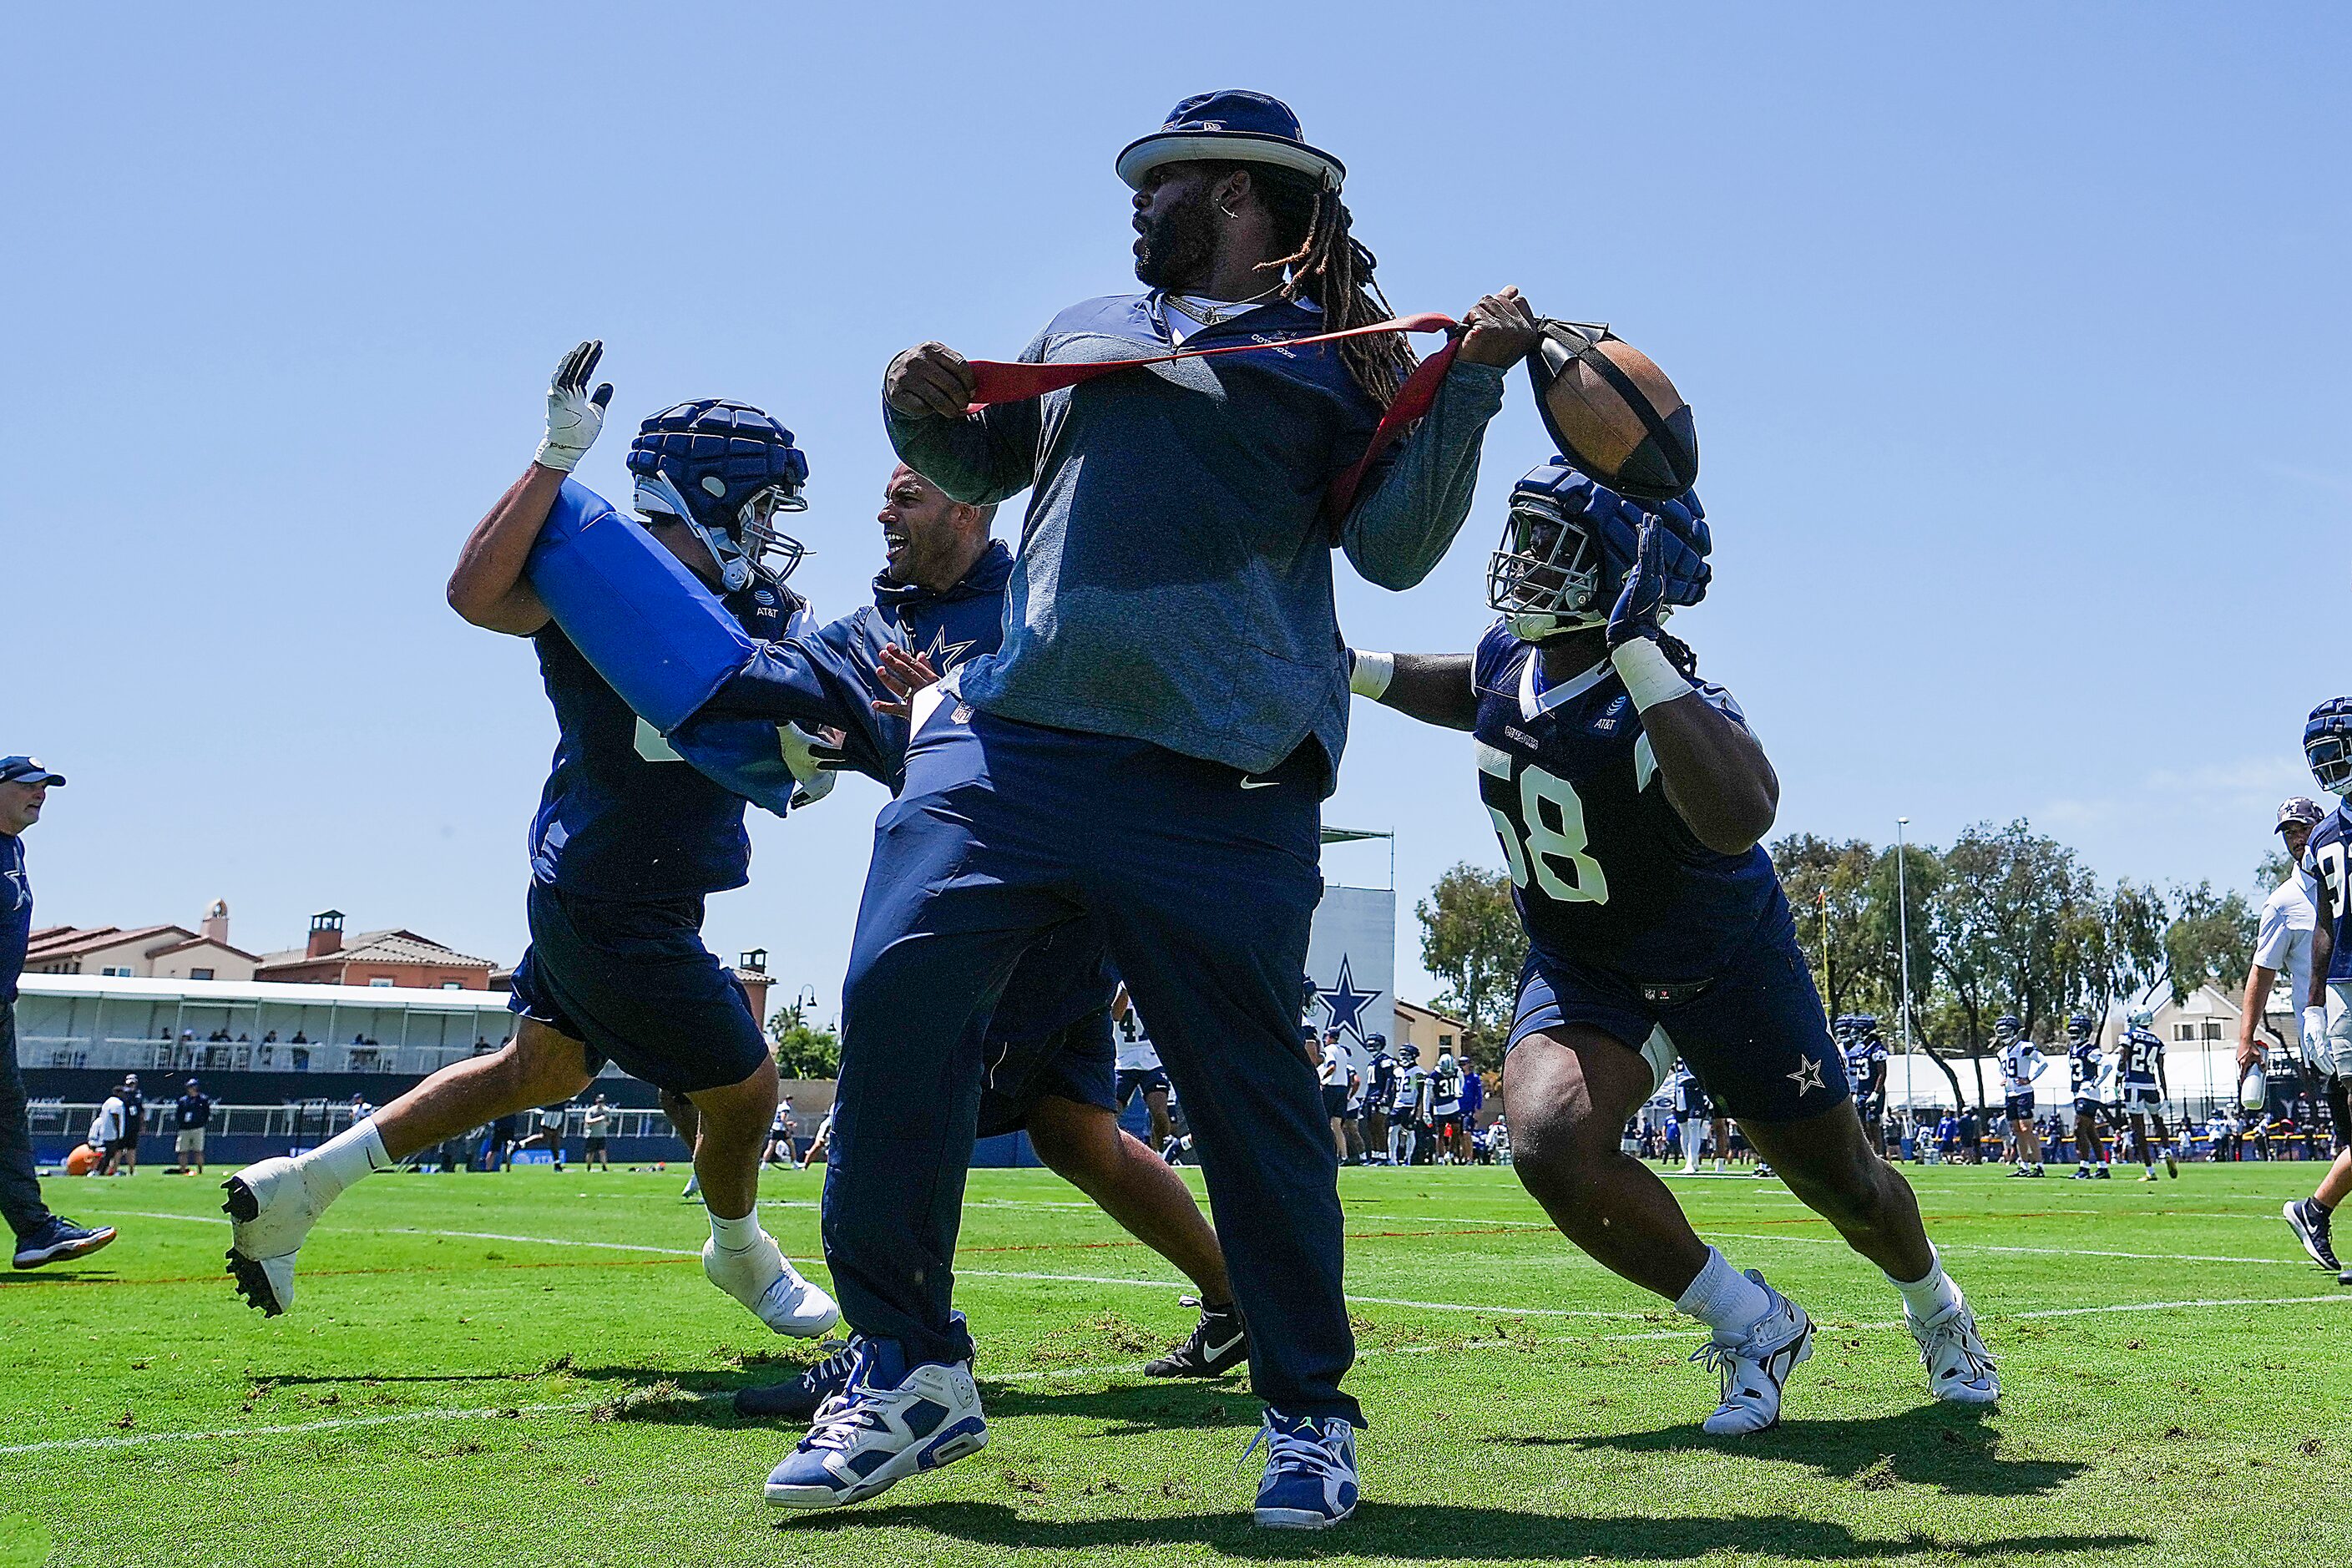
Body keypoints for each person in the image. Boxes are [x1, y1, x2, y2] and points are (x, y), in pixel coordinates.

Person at [766, 90, 1535, 1526]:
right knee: (893, 989)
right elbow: (981, 465)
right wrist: (911, 398)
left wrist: (1472, 380)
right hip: (1018, 745)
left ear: (1249, 197)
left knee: (1249, 1097)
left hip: (1221, 777)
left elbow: (1393, 547)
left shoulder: (1341, 363)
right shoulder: (1078, 326)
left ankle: (1306, 1409)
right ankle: (908, 1367)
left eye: (1166, 179)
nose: (1140, 200)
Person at [1350, 458, 1997, 1435]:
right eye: (1522, 537)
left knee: (1846, 1187)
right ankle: (1752, 1323)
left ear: (1618, 573)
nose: (1521, 562)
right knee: (1550, 1143)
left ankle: (1937, 1308)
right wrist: (1353, 669)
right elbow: (1473, 689)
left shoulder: (1661, 694)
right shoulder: (1510, 657)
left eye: (1550, 547)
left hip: (1722, 967)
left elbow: (1746, 813)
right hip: (1588, 967)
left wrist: (1641, 650)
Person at [609, 458, 1258, 1414]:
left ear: (971, 502)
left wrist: (958, 705)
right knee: (1075, 1133)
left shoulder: (1045, 595)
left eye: (907, 493)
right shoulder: (869, 629)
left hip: (1028, 913)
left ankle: (897, 1347)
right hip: (986, 905)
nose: (884, 509)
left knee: (918, 1099)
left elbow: (1121, 732)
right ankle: (1241, 1299)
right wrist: (623, 594)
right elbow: (753, 683)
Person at [220, 351, 835, 1339]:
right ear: (709, 495)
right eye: (761, 508)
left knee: (535, 1075)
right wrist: (552, 459)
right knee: (753, 1087)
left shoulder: (765, 611)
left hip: (622, 880)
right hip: (608, 894)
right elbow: (473, 594)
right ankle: (742, 1256)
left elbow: (802, 727)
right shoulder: (591, 581)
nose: (769, 535)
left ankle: (297, 1189)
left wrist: (814, 744)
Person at [2292, 709, 2352, 1282]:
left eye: (2335, 748)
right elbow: (2325, 922)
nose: (2326, 764)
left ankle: (2314, 1210)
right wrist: (2311, 1005)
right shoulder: (2323, 837)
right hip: (2344, 987)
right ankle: (2313, 1211)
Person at [2113, 1006, 2178, 1180]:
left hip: (2133, 1085)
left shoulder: (2129, 1037)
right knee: (2158, 1121)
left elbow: (2123, 1058)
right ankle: (2167, 1150)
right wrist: (2164, 1092)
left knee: (2138, 1129)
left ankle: (2150, 1171)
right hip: (2151, 1085)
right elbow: (2161, 1070)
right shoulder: (2157, 1042)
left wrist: (2117, 1079)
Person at [1110, 988, 1175, 1153]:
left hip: (1152, 1061)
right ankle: (1112, 1152)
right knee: (1111, 1111)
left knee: (1160, 1115)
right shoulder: (1118, 988)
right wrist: (1125, 989)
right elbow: (1115, 1015)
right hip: (1124, 1062)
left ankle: (1158, 1154)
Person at [1992, 1016, 2047, 1177]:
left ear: (2015, 1031)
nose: (2003, 1034)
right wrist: (2005, 1079)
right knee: (2016, 1130)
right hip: (2010, 1094)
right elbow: (2003, 1070)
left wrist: (2029, 1078)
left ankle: (2039, 1165)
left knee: (2026, 1129)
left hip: (2024, 1093)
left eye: (2006, 1031)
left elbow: (2043, 1062)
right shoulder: (2002, 1052)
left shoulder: (2025, 1047)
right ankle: (2024, 1165)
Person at [2063, 1014, 2115, 1176]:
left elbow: (2107, 1066)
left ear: (2085, 1032)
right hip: (2079, 1092)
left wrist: (2095, 1082)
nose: (2073, 1035)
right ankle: (2102, 1168)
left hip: (2088, 1093)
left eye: (2076, 1031)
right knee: (2091, 1132)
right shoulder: (2072, 1051)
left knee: (2079, 1129)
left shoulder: (2090, 1050)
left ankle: (2084, 1168)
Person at [1840, 1015, 1891, 1156]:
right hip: (1861, 1091)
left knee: (1873, 1124)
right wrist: (1856, 1092)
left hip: (1872, 1091)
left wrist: (1876, 1092)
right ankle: (1868, 1156)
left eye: (1857, 1030)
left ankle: (1879, 1156)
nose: (1854, 1033)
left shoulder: (1876, 1049)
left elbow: (1882, 1073)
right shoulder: (1859, 1049)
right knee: (1862, 1125)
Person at [1317, 1029, 1358, 1162]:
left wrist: (1322, 1079)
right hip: (1342, 1089)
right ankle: (1344, 1155)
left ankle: (1327, 1154)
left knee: (1324, 1123)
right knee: (1337, 1125)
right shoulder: (1342, 1051)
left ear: (1330, 1037)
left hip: (1332, 1088)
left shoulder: (1329, 1050)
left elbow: (1332, 1067)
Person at [1362, 1036, 1397, 1165]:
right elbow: (1370, 1084)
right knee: (1371, 1127)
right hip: (1371, 1096)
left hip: (1380, 1097)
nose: (1371, 1048)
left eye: (1374, 1045)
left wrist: (1385, 1095)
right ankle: (1375, 1155)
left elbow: (1389, 1078)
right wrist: (1365, 1099)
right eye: (1369, 1045)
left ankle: (1383, 1156)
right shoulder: (1373, 1062)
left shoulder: (1385, 1060)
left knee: (1379, 1126)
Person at [1429, 1049, 1466, 1164]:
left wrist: (1459, 1090)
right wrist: (1426, 1110)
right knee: (1440, 1133)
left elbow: (1461, 1081)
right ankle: (1440, 1156)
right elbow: (1428, 1093)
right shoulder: (1434, 1075)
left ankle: (1450, 1153)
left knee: (1456, 1130)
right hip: (1439, 1107)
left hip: (1453, 1105)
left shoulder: (1456, 1071)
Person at [171, 1078, 214, 1176]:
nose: (191, 1089)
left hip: (198, 1128)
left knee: (198, 1151)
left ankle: (200, 1170)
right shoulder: (183, 1100)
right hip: (184, 1129)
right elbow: (179, 1114)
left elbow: (206, 1113)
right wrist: (181, 1123)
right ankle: (182, 1170)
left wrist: (201, 1122)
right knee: (183, 1151)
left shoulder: (203, 1100)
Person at [580, 1093, 612, 1171]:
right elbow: (588, 1121)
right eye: (599, 1101)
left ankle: (604, 1167)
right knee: (590, 1153)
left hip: (602, 1134)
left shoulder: (607, 1111)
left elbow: (609, 1121)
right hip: (592, 1134)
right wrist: (599, 1119)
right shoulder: (591, 1110)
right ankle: (588, 1167)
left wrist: (604, 1125)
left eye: (602, 1102)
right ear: (596, 1101)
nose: (600, 1103)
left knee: (602, 1152)